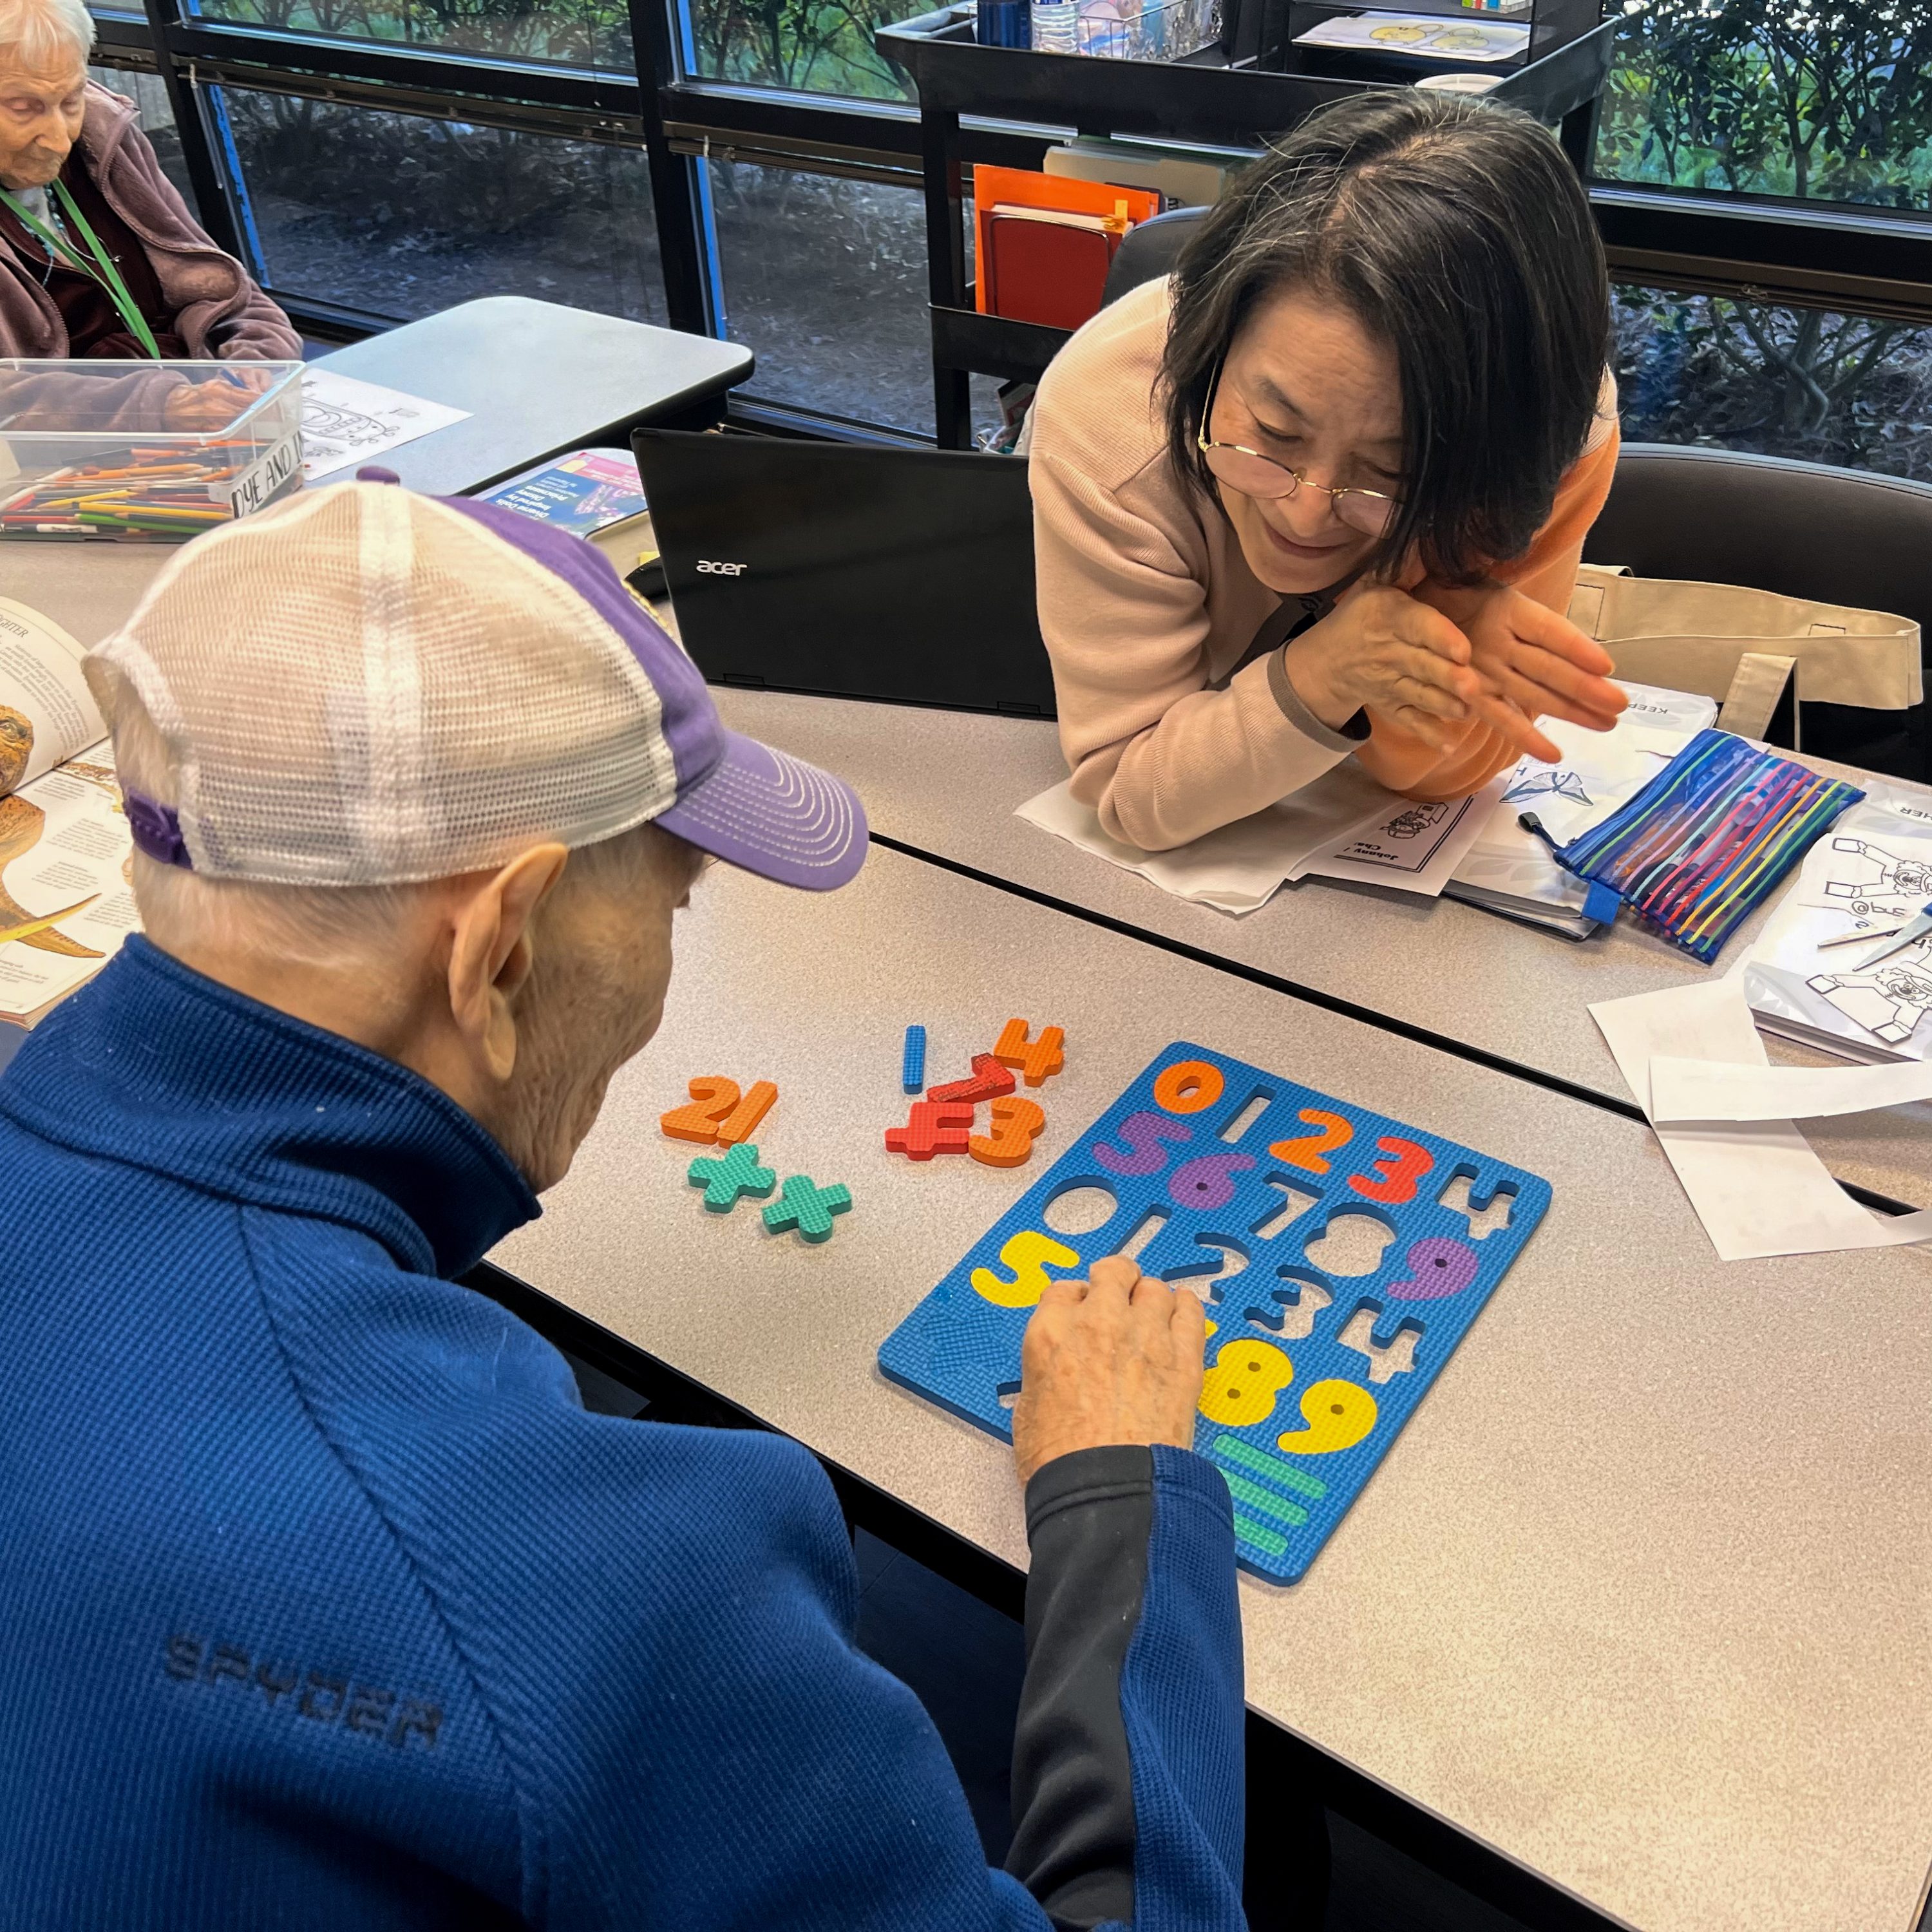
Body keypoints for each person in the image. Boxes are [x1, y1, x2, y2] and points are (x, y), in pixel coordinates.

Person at [0, 475, 1249, 1930]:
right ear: (499, 949)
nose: (663, 969)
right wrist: (1120, 1499)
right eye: (673, 902)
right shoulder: (594, 1576)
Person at [1027, 91, 1629, 853]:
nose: (1306, 513)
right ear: (1215, 346)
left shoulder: (1545, 431)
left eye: (1393, 471)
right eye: (1274, 432)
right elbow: (1130, 788)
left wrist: (1435, 611)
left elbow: (1445, 779)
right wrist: (1327, 670)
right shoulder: (1110, 424)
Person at [0, 0, 298, 426]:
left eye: (70, 100)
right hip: (71, 454)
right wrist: (157, 407)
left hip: (200, 420)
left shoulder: (105, 140)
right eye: (23, 108)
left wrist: (256, 365)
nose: (60, 139)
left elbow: (225, 290)